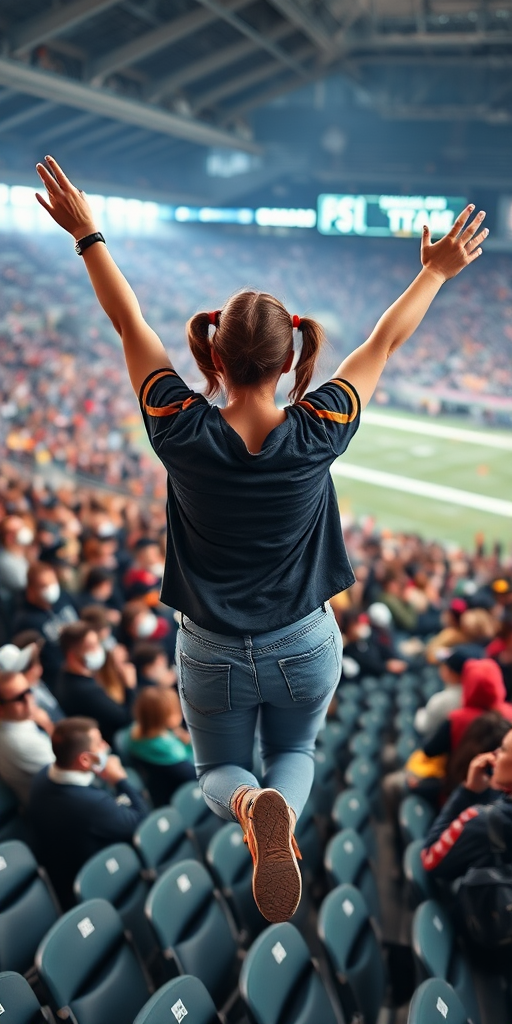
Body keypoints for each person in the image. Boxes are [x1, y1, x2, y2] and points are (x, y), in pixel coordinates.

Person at [35, 154, 487, 923]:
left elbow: (127, 320)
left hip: (210, 646)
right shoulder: (320, 430)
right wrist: (436, 274)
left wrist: (88, 237)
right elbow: (382, 342)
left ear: (212, 356)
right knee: (299, 753)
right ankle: (272, 802)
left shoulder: (179, 427)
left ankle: (248, 806)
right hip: (304, 640)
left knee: (221, 771)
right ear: (291, 360)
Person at [28, 716, 148, 907]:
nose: (105, 745)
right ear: (84, 760)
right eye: (99, 744)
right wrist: (120, 780)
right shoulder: (89, 804)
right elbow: (141, 821)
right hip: (100, 882)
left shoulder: (42, 776)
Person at [422, 727, 512, 879]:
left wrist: (467, 791)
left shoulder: (483, 821)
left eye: (503, 750)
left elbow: (430, 858)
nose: (494, 754)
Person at [55, 621, 134, 744]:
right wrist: (130, 686)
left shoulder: (65, 673)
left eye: (98, 643)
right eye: (91, 646)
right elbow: (125, 718)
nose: (99, 650)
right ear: (72, 655)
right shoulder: (85, 691)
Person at [14, 561, 78, 688]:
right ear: (31, 590)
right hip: (61, 680)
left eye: (53, 583)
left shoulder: (63, 598)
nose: (51, 589)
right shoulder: (25, 621)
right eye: (44, 586)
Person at [128, 687, 196, 803]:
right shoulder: (168, 751)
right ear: (162, 718)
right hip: (177, 795)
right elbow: (193, 774)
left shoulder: (136, 731)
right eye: (175, 710)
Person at [0, 667, 55, 804]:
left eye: (28, 691)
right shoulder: (18, 741)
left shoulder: (21, 720)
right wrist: (49, 726)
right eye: (19, 698)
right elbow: (68, 767)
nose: (29, 700)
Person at [414, 645, 483, 736]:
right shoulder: (477, 694)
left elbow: (424, 727)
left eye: (444, 665)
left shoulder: (441, 700)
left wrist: (419, 713)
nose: (441, 667)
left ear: (451, 672)